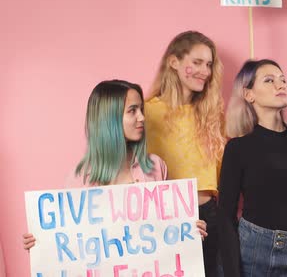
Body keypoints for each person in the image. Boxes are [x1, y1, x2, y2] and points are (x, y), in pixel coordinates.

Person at [23, 80, 206, 249]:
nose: (142, 117)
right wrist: (41, 243)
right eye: (132, 110)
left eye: (141, 109)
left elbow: (172, 227)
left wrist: (191, 228)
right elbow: (70, 243)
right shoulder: (81, 179)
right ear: (109, 119)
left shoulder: (155, 167)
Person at [218, 59, 287, 276]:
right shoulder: (237, 148)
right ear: (248, 94)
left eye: (283, 80)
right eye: (269, 80)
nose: (280, 85)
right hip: (251, 254)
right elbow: (225, 215)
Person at [145, 31, 225, 276]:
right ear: (174, 62)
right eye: (197, 62)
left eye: (209, 64)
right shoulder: (147, 113)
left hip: (209, 214)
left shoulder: (212, 114)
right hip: (165, 217)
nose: (205, 71)